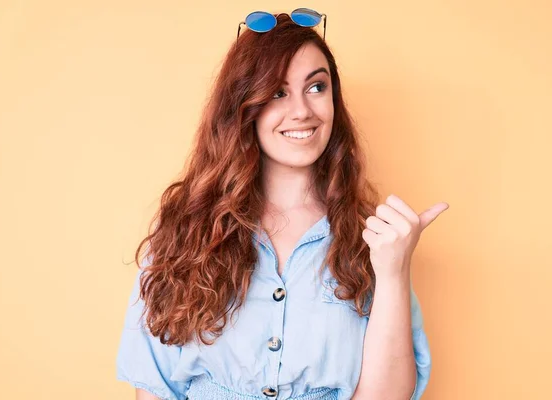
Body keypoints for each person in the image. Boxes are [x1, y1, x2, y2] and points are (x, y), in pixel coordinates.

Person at [116, 9, 447, 400]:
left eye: (316, 87)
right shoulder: (185, 227)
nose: (302, 111)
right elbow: (155, 385)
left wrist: (393, 271)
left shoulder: (372, 238)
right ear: (244, 105)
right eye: (277, 92)